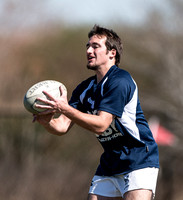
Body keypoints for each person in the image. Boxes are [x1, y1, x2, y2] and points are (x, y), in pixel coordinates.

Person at [34, 25, 159, 200]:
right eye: (87, 46)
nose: (89, 50)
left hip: (138, 160)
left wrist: (65, 108)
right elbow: (62, 126)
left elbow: (101, 125)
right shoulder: (85, 88)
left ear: (112, 53)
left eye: (95, 46)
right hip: (110, 163)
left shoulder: (120, 81)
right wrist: (46, 121)